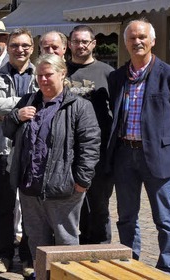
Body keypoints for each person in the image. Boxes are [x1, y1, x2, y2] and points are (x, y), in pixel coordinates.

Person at [107, 19, 170, 276]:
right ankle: (130, 263)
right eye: (132, 38)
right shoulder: (117, 77)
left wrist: (163, 143)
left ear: (152, 41)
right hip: (124, 155)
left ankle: (167, 268)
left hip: (157, 156)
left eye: (142, 37)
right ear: (126, 43)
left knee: (164, 219)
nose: (137, 42)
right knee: (126, 217)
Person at [3, 54, 100, 268]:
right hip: (30, 187)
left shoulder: (79, 106)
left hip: (64, 189)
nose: (43, 80)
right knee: (37, 243)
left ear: (62, 74)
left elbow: (90, 145)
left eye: (49, 75)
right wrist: (16, 116)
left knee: (65, 242)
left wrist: (81, 181)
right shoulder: (29, 101)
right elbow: (8, 132)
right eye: (40, 75)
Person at [0, 28, 36, 276]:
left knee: (31, 205)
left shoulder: (39, 74)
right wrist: (23, 106)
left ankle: (27, 256)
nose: (20, 49)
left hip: (34, 149)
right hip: (1, 149)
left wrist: (6, 113)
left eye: (25, 45)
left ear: (32, 48)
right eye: (15, 45)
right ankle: (3, 254)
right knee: (4, 205)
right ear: (8, 48)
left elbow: (45, 103)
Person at [66, 25, 115, 245]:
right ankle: (80, 248)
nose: (81, 45)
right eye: (76, 41)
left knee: (99, 205)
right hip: (67, 149)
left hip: (99, 151)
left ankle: (101, 249)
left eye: (85, 41)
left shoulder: (107, 73)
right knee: (73, 206)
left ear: (93, 44)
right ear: (70, 44)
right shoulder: (62, 70)